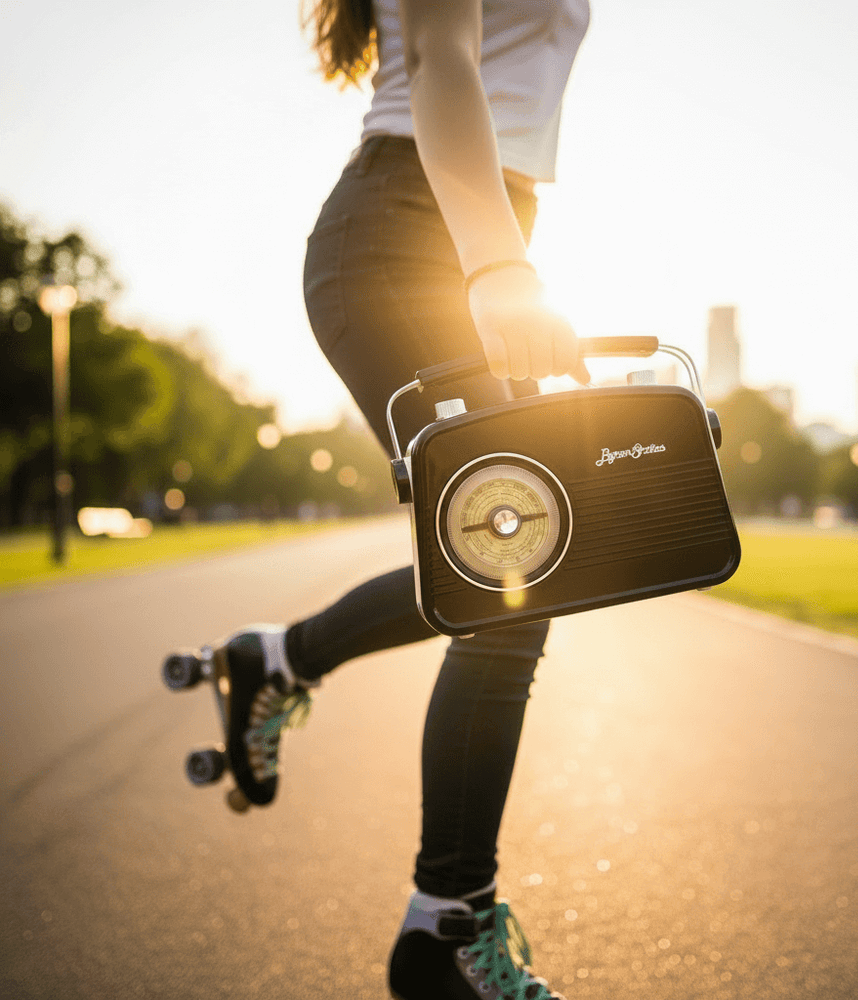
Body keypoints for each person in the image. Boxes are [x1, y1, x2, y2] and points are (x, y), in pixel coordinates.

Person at [213, 0, 591, 996]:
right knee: (517, 570)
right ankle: (444, 928)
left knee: (509, 562)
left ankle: (279, 658)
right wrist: (502, 266)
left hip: (460, 223)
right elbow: (436, 56)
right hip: (410, 234)